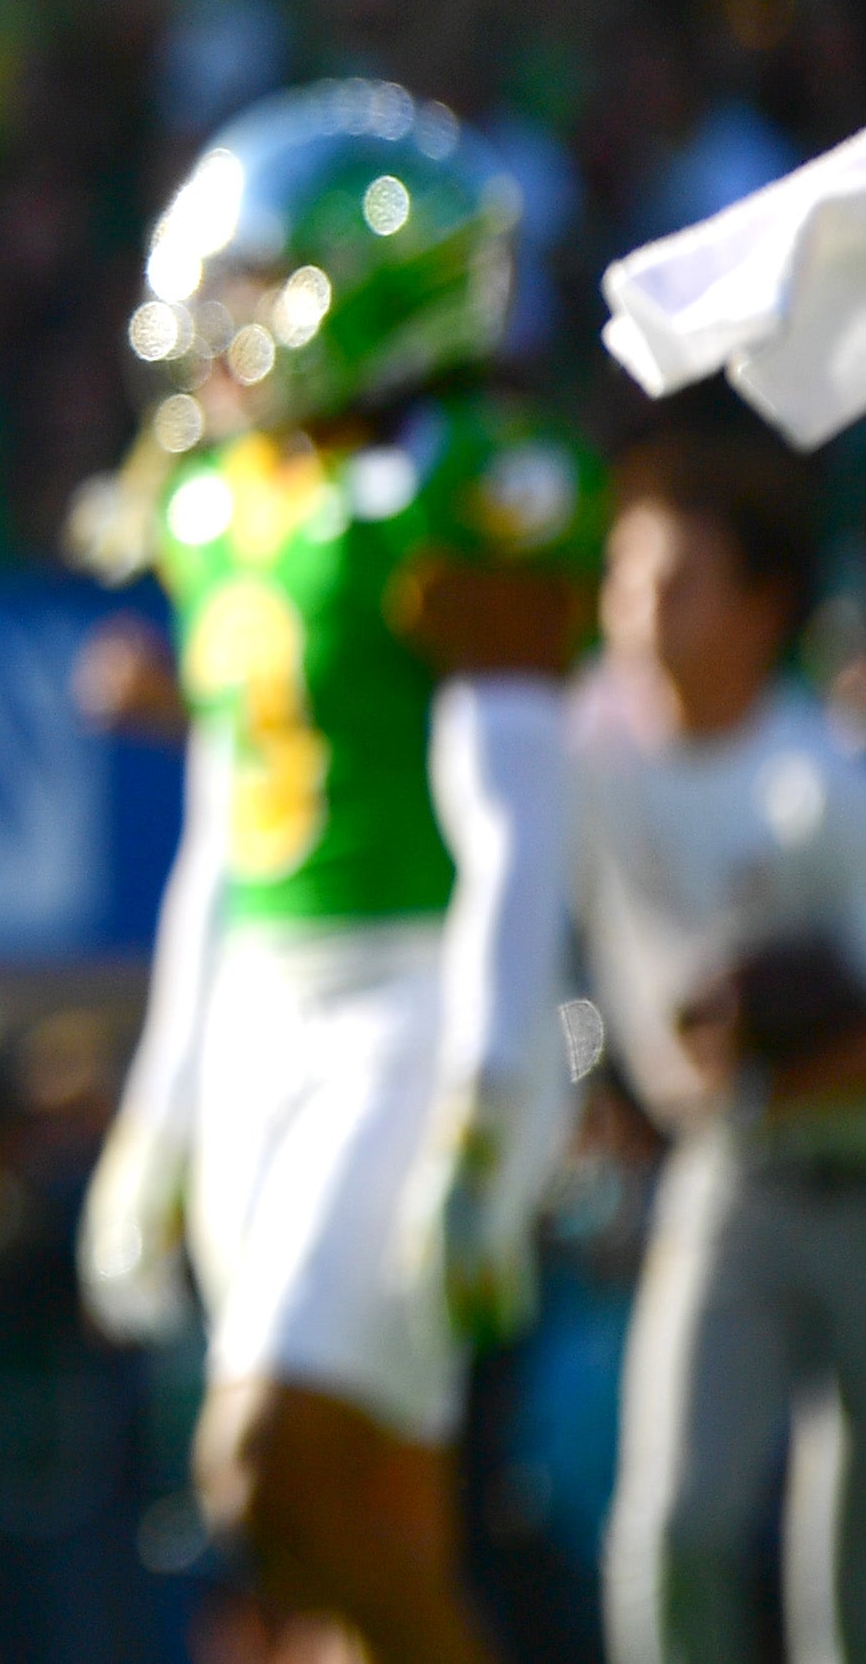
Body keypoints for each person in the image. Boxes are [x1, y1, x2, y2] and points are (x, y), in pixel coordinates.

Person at [71, 83, 597, 1664]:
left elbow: (514, 820)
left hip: (411, 997)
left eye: (251, 294)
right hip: (257, 1019)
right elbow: (221, 839)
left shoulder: (475, 480)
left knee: (265, 1470)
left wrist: (494, 1085)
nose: (215, 337)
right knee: (360, 1514)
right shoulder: (223, 500)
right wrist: (158, 1108)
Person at [563, 419, 866, 1664]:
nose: (638, 610)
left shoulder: (824, 783)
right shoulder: (588, 751)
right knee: (674, 1524)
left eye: (677, 580)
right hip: (730, 1169)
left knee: (848, 1570)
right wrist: (599, 1071)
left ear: (762, 606)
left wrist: (794, 1034)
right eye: (623, 577)